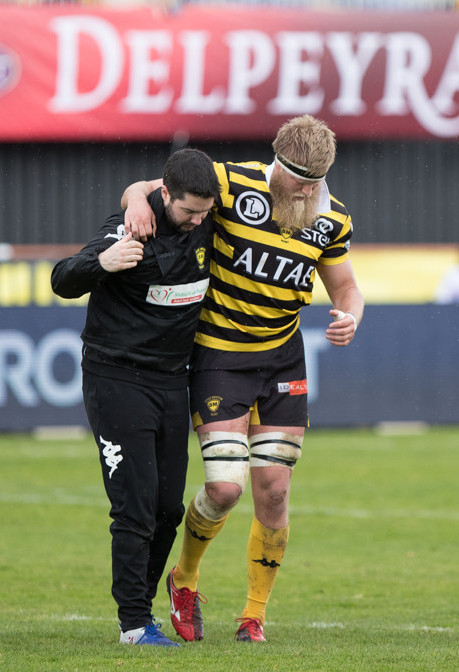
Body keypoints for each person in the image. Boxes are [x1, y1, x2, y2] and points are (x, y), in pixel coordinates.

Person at [122, 115, 364, 643]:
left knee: (274, 491)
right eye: (299, 178)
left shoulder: (333, 216)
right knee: (225, 489)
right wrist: (137, 201)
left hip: (283, 361)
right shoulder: (232, 181)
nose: (307, 190)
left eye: (316, 181)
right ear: (277, 162)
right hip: (220, 356)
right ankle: (183, 579)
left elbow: (345, 286)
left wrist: (350, 313)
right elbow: (153, 185)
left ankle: (253, 613)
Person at [53, 148, 219, 647]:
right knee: (135, 506)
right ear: (164, 195)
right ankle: (132, 623)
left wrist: (136, 189)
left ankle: (144, 611)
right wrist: (102, 263)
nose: (196, 221)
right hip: (116, 379)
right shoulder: (132, 229)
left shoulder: (206, 217)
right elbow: (63, 278)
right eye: (188, 211)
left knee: (169, 508)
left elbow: (152, 185)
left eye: (204, 213)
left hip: (173, 380)